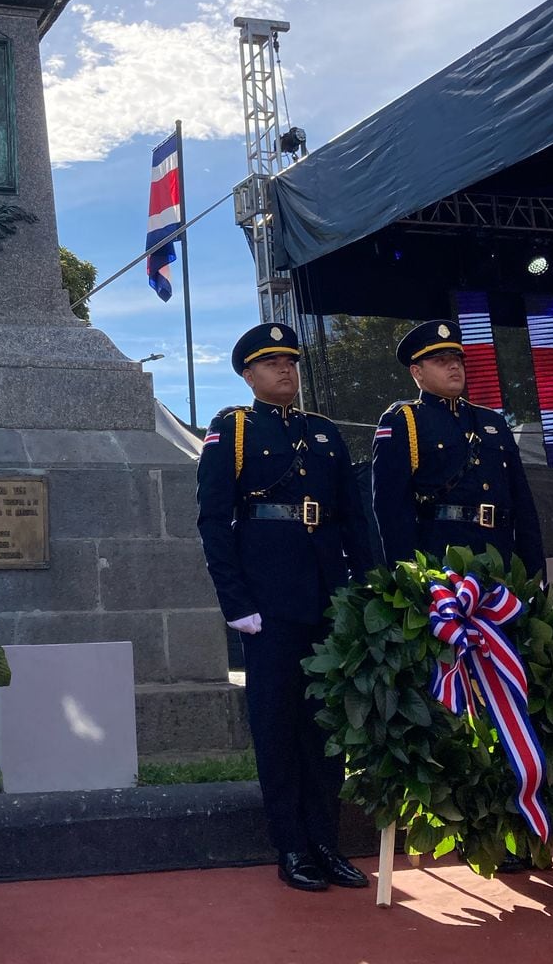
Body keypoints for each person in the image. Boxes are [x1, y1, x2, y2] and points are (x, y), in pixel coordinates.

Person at [196, 322, 373, 893]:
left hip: (328, 598)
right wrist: (237, 603)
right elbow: (213, 522)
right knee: (275, 724)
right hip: (268, 605)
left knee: (326, 726)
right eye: (272, 364)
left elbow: (354, 518)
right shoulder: (234, 429)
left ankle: (327, 841)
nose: (286, 371)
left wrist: (369, 590)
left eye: (291, 362)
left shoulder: (323, 433)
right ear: (248, 374)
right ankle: (291, 846)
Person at [371, 319, 545, 577]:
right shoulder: (404, 420)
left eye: (457, 359)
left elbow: (523, 502)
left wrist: (534, 573)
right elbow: (391, 509)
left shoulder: (492, 421)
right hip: (442, 564)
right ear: (417, 372)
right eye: (441, 361)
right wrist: (410, 578)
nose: (454, 366)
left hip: (501, 560)